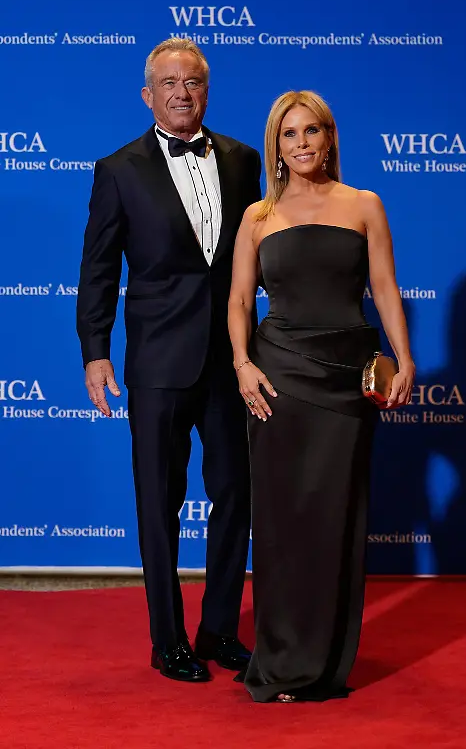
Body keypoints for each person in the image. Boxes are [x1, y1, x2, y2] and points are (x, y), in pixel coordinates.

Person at [77, 38, 261, 683]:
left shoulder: (244, 159)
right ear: (147, 94)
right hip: (156, 362)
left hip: (233, 359)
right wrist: (95, 352)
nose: (184, 92)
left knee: (235, 495)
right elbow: (98, 270)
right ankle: (167, 640)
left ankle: (217, 631)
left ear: (207, 90)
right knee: (158, 500)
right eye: (170, 82)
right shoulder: (118, 169)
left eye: (195, 82)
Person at [228, 90, 415, 702]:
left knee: (336, 516)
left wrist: (404, 356)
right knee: (282, 522)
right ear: (275, 145)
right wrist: (242, 365)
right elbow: (237, 301)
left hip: (346, 376)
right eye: (289, 134)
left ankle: (328, 662)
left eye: (312, 131)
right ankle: (281, 661)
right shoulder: (258, 216)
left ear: (330, 138)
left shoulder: (364, 205)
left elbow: (384, 285)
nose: (302, 143)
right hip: (278, 374)